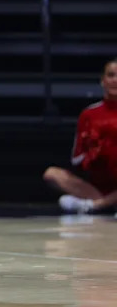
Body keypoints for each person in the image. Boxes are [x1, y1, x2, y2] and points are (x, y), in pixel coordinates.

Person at [44, 59, 117, 214]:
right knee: (51, 174)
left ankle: (96, 206)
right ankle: (106, 203)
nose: (115, 80)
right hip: (97, 186)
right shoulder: (89, 114)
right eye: (111, 75)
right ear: (103, 81)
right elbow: (76, 159)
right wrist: (92, 153)